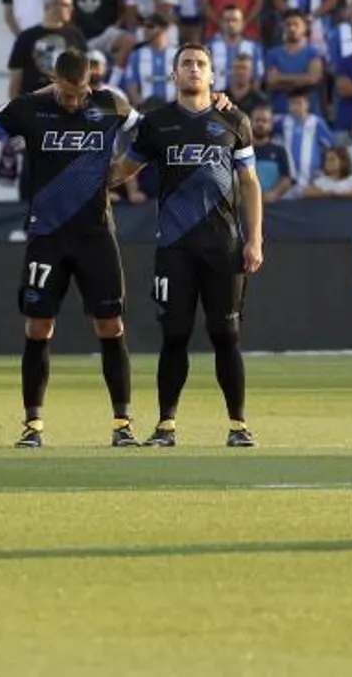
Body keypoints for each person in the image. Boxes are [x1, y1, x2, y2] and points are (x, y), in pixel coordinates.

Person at [0, 48, 142, 448]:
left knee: (111, 325)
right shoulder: (30, 109)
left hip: (95, 233)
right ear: (54, 81)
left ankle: (122, 423)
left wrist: (122, 171)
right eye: (67, 92)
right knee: (39, 325)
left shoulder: (110, 104)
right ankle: (33, 426)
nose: (73, 101)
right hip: (47, 234)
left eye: (80, 92)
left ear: (90, 81)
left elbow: (149, 133)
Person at [114, 43, 265, 447]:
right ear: (173, 75)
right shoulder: (157, 123)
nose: (194, 69)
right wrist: (84, 171)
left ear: (213, 75)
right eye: (186, 64)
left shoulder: (234, 119)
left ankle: (238, 425)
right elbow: (125, 169)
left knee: (226, 334)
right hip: (175, 247)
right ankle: (166, 425)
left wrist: (255, 239)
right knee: (175, 334)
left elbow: (250, 183)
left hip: (225, 247)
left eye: (201, 64)